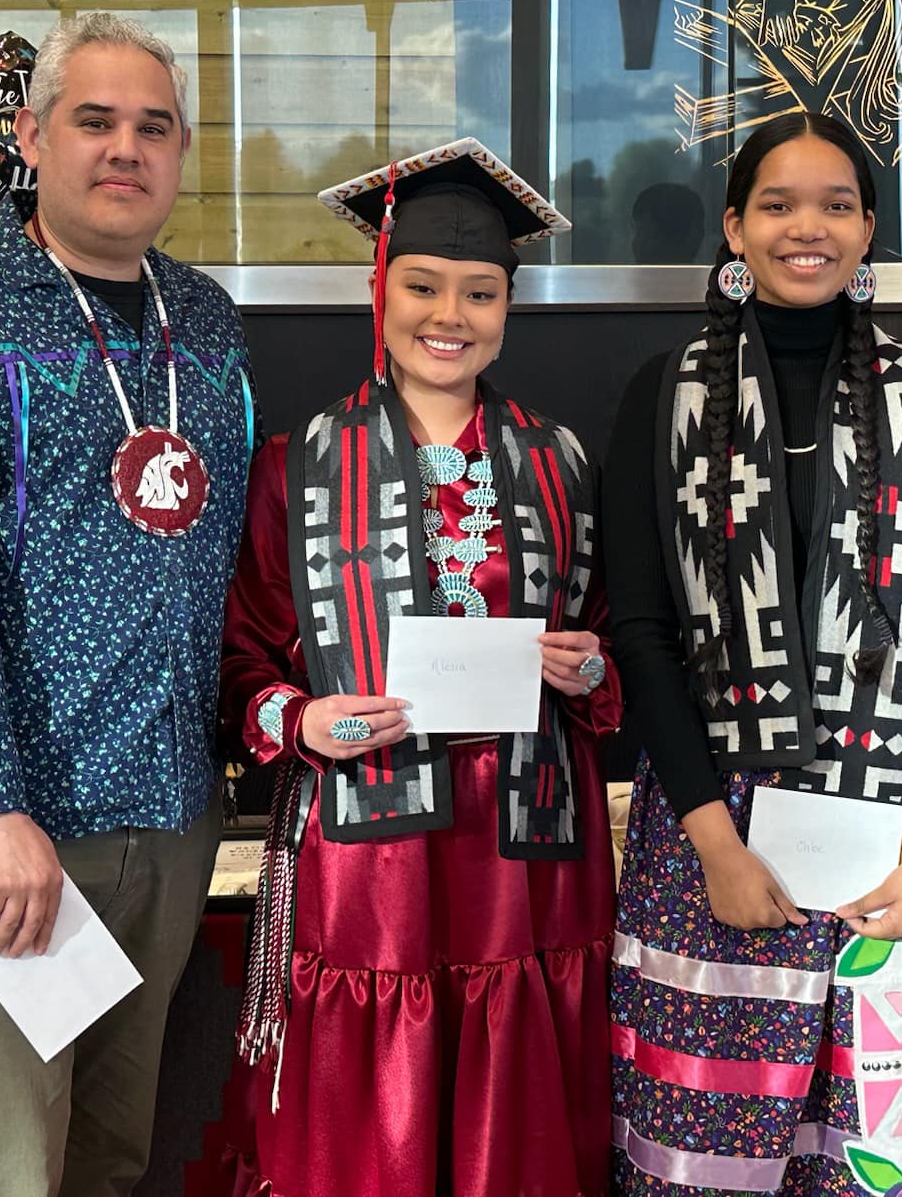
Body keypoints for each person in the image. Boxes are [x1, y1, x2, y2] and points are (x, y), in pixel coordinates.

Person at [0, 12, 257, 1195]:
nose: (123, 150)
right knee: (3, 1172)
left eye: (153, 127)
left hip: (172, 820)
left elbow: (228, 561)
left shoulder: (209, 322)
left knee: (111, 1161)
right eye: (92, 121)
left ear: (181, 152)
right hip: (15, 834)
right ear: (30, 135)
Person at [609, 111, 902, 1196]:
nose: (807, 229)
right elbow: (641, 632)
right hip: (718, 835)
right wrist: (715, 844)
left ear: (865, 232)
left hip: (900, 831)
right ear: (731, 226)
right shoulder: (660, 398)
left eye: (836, 205)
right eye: (777, 204)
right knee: (709, 1155)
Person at [224, 138, 619, 1197]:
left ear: (507, 304)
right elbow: (243, 660)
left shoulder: (562, 461)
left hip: (526, 847)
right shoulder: (297, 465)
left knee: (518, 1114)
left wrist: (586, 670)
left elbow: (614, 640)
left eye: (480, 292)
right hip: (371, 855)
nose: (450, 315)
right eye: (423, 286)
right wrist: (298, 723)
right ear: (378, 288)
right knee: (375, 1132)